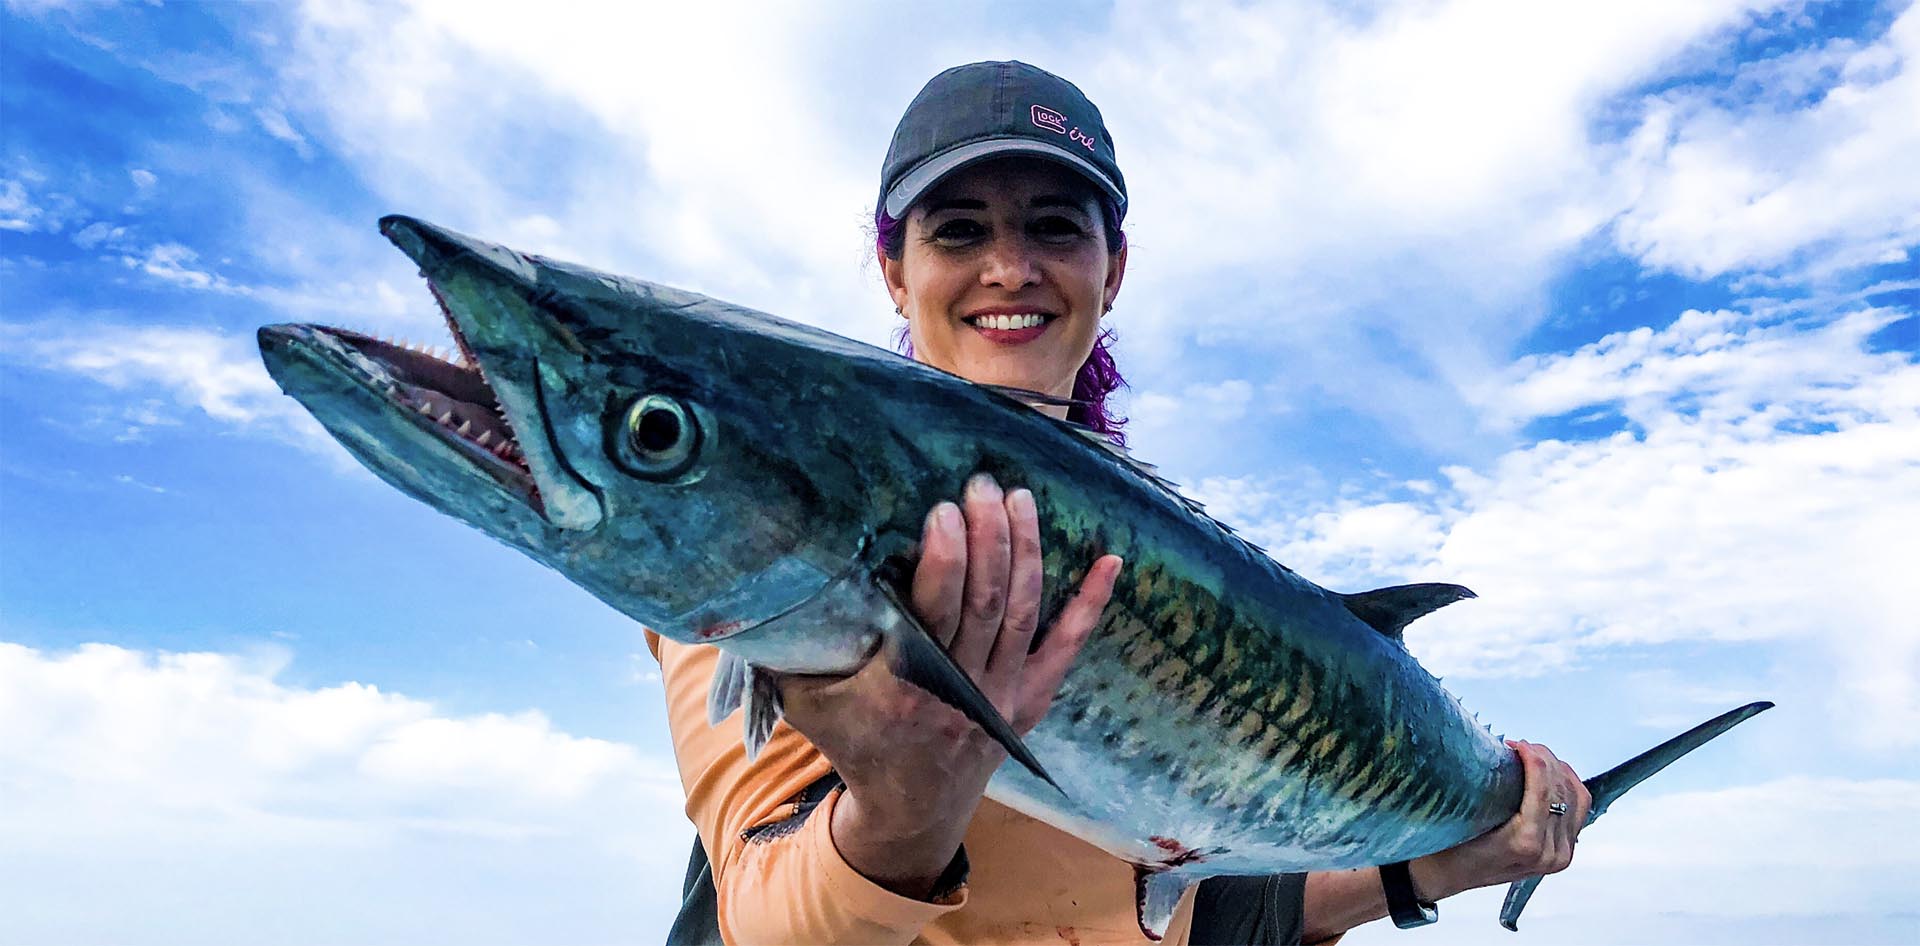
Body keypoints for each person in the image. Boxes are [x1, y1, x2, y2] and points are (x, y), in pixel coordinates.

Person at [649, 60, 1592, 945]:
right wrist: (906, 808)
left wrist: (1439, 867)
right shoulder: (791, 516)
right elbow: (766, 917)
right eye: (960, 230)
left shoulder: (1158, 556)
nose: (1010, 268)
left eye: (1055, 226)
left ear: (1115, 268)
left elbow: (1184, 902)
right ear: (896, 271)